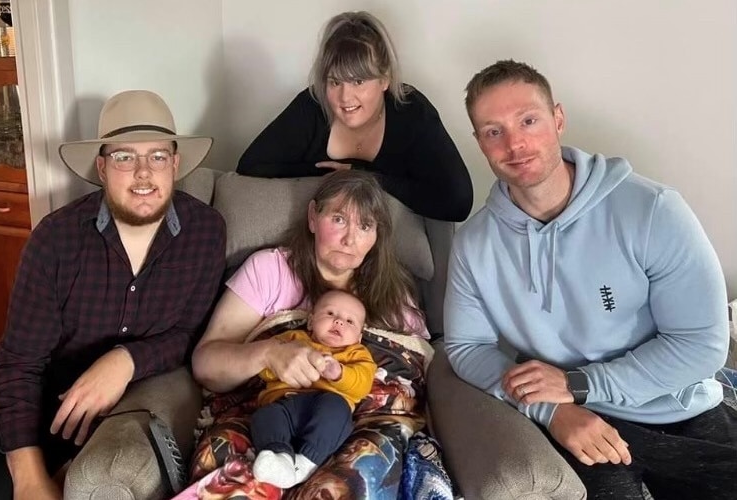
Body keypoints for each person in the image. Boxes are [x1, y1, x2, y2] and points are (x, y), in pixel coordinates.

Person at [444, 59, 735, 499]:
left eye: (528, 120)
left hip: (675, 405)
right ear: (480, 142)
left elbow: (702, 343)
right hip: (576, 421)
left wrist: (579, 385)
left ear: (558, 118)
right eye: (493, 131)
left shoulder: (653, 210)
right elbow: (467, 347)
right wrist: (551, 410)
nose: (515, 143)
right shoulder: (474, 243)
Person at [0, 90, 226, 500]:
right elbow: (19, 366)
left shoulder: (205, 232)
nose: (143, 173)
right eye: (124, 157)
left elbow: (190, 334)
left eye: (157, 157)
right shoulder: (56, 240)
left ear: (175, 163)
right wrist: (28, 475)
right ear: (101, 167)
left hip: (130, 416)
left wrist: (125, 361)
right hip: (45, 418)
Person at [190, 169, 427, 489]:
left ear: (376, 237)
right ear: (313, 217)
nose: (350, 239)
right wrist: (268, 353)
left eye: (365, 225)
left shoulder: (394, 292)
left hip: (360, 428)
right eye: (339, 219)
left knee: (358, 478)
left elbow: (418, 372)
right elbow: (206, 364)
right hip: (270, 415)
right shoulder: (269, 270)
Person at [236, 10, 473, 223]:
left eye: (358, 81)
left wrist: (364, 175)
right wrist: (327, 175)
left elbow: (457, 202)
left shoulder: (411, 112)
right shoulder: (312, 105)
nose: (344, 97)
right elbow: (251, 165)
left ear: (384, 80)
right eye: (335, 81)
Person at [250, 289, 376, 489]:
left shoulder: (357, 353)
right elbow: (264, 369)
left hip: (326, 407)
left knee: (336, 409)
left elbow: (362, 385)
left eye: (350, 321)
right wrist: (281, 363)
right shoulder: (293, 339)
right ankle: (279, 457)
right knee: (264, 416)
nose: (339, 322)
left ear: (359, 337)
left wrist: (339, 373)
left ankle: (305, 463)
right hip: (283, 403)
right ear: (310, 322)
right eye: (330, 314)